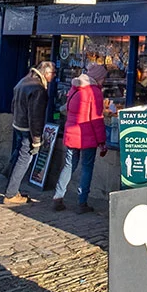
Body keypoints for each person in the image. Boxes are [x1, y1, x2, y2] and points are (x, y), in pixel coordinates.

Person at [52, 63, 107, 214]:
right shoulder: (94, 92)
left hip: (71, 133)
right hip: (86, 136)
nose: (103, 81)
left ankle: (58, 196)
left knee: (69, 165)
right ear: (97, 77)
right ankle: (82, 202)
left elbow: (68, 110)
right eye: (102, 78)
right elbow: (96, 120)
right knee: (87, 168)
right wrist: (102, 141)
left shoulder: (74, 88)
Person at [2, 63, 53, 205]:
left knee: (17, 156)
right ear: (46, 73)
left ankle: (11, 188)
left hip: (18, 125)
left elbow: (13, 104)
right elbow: (36, 117)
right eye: (52, 73)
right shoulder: (38, 89)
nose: (53, 76)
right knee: (24, 159)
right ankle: (11, 194)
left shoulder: (24, 81)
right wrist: (37, 140)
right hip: (27, 129)